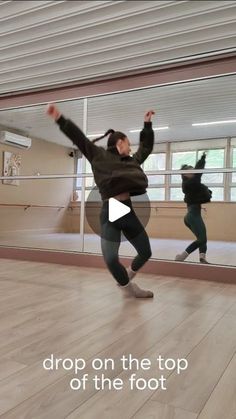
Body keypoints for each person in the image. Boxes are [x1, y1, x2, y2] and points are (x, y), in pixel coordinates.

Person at [46, 104, 155, 298]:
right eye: (128, 143)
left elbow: (146, 148)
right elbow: (79, 139)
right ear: (120, 143)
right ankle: (128, 288)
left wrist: (147, 125)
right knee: (111, 259)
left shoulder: (131, 161)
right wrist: (60, 119)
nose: (131, 147)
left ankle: (129, 274)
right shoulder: (98, 155)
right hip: (111, 210)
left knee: (146, 252)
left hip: (127, 209)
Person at [175, 152, 212, 264]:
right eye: (191, 170)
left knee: (202, 238)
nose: (194, 172)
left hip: (194, 215)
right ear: (185, 175)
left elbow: (198, 179)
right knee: (202, 239)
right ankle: (182, 256)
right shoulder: (189, 183)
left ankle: (202, 258)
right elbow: (199, 172)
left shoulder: (192, 184)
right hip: (192, 216)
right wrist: (203, 158)